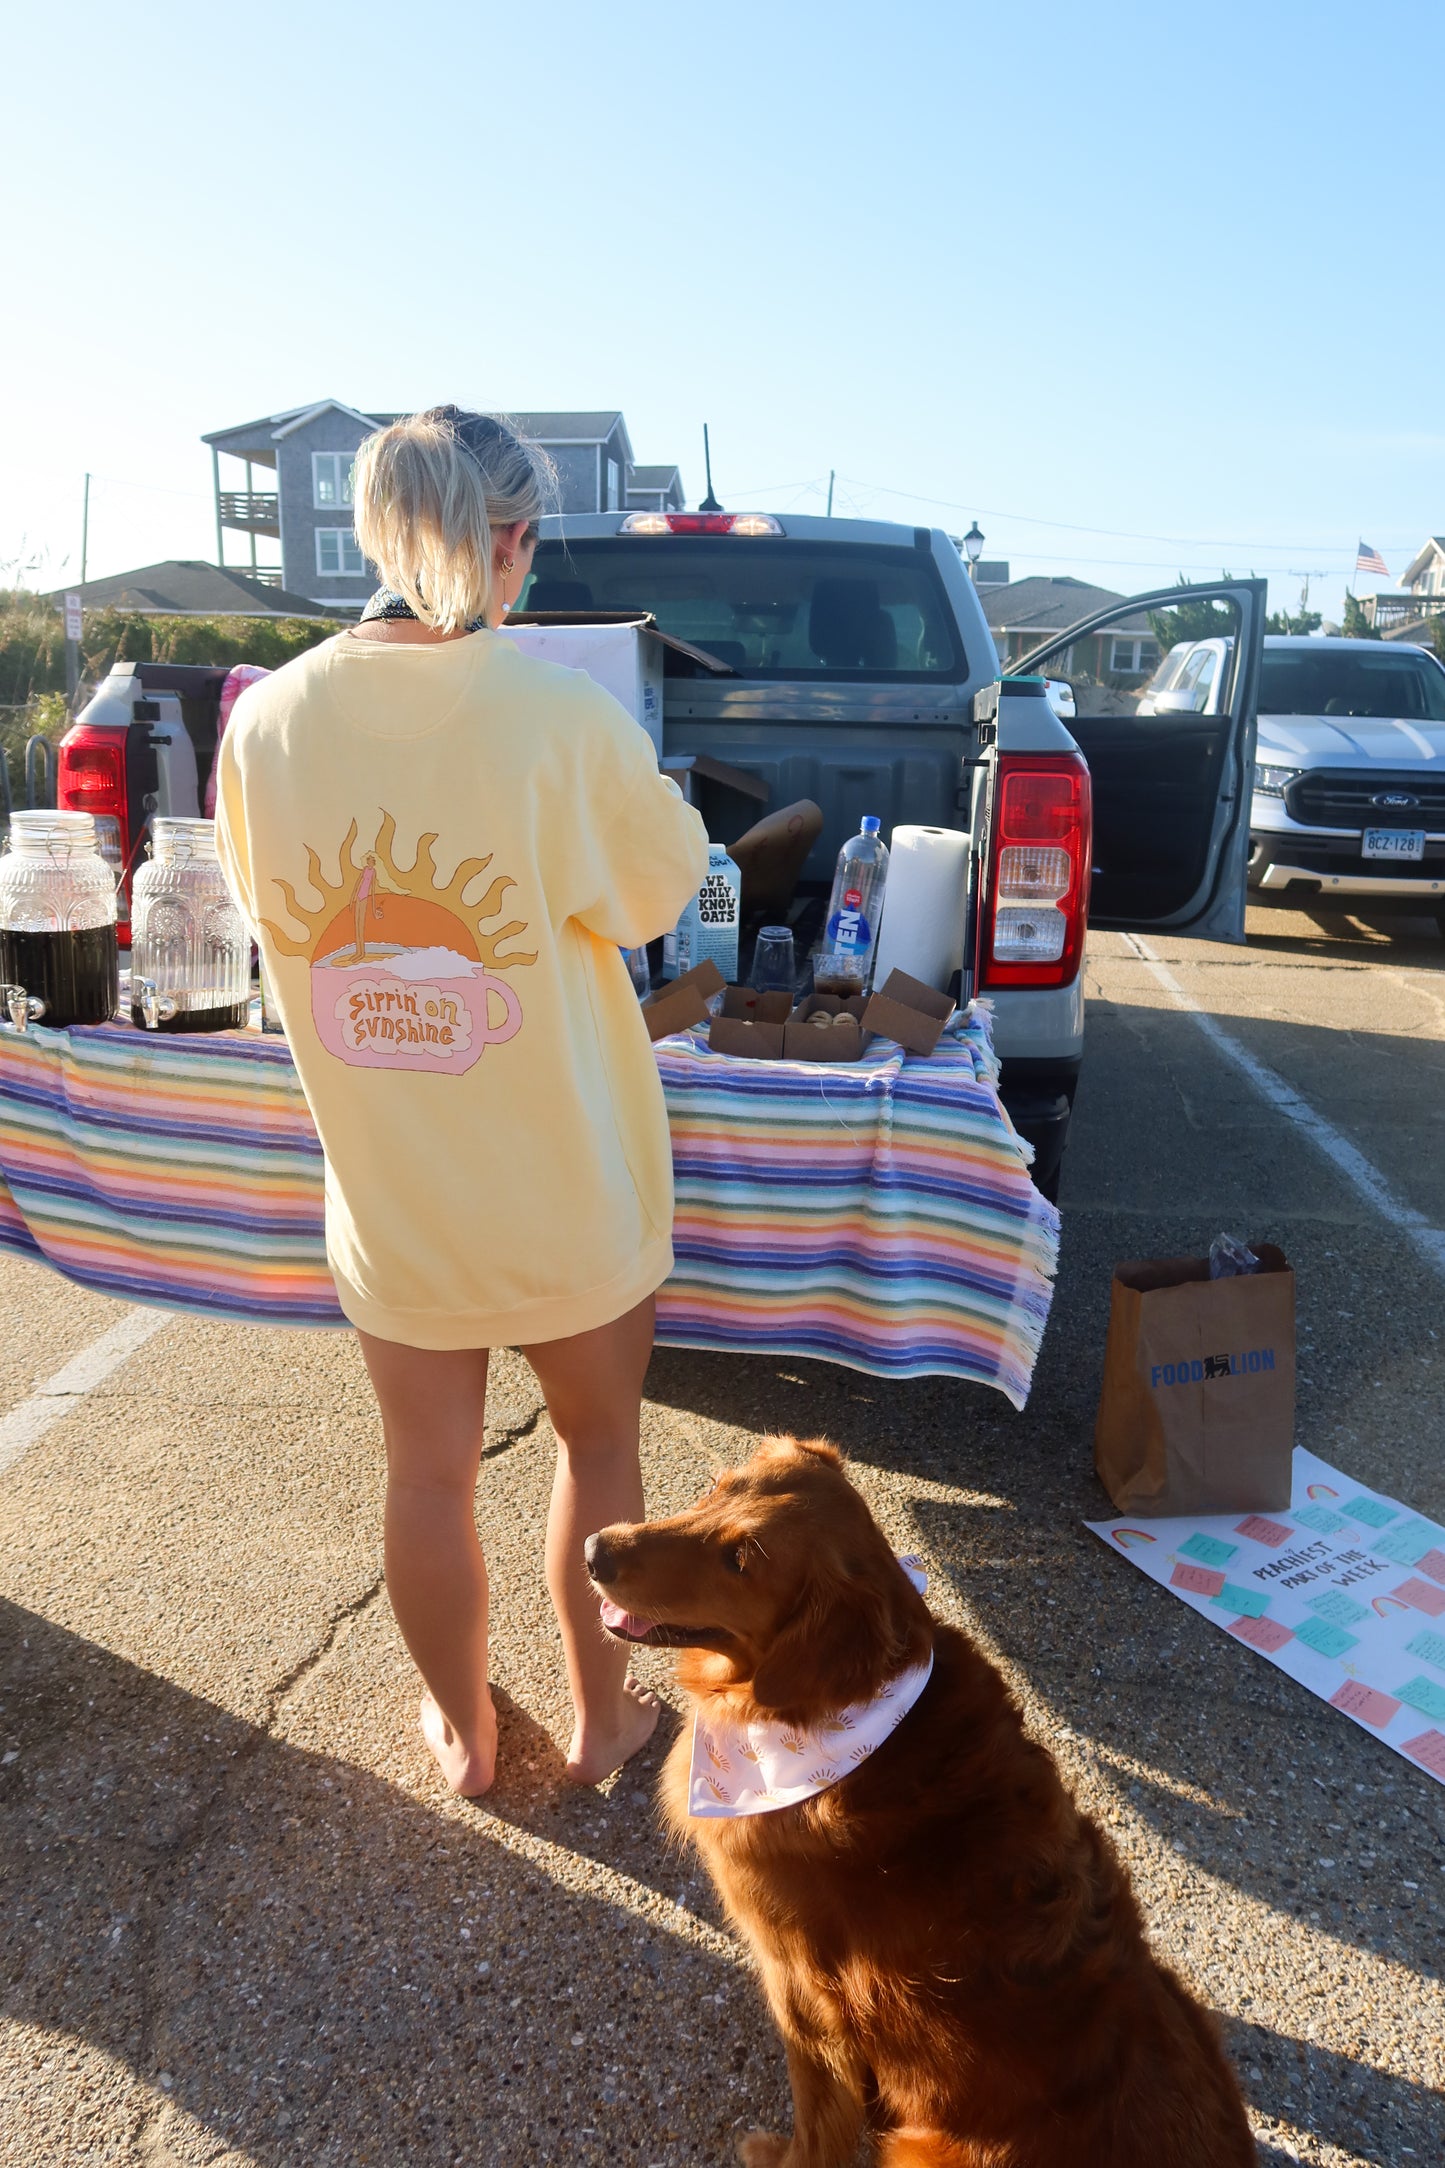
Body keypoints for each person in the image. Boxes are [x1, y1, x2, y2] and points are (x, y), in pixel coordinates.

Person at [215, 406, 708, 1795]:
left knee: (426, 1477)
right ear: (510, 540)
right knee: (599, 1449)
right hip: (568, 1181)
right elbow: (660, 886)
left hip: (395, 1194)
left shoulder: (267, 721)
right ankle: (605, 1725)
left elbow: (265, 911)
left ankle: (469, 1736)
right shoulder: (559, 714)